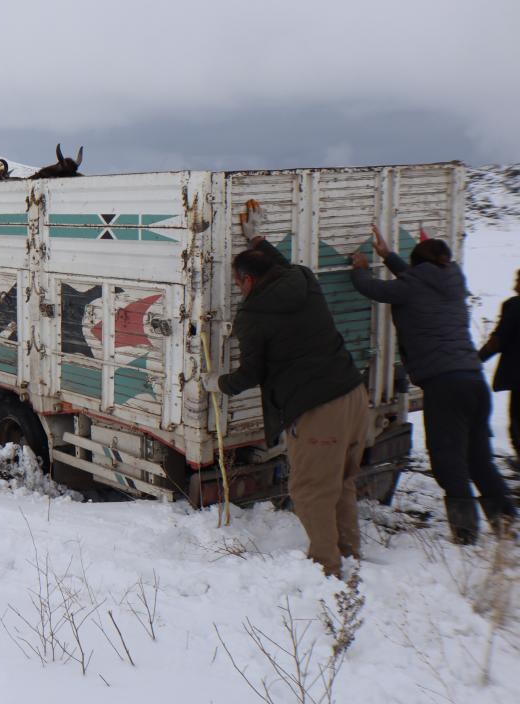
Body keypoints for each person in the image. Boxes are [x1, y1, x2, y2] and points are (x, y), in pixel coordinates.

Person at [204, 199, 368, 578]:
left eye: (237, 283)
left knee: (311, 490)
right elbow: (281, 266)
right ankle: (350, 553)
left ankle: (327, 571)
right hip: (354, 395)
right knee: (341, 481)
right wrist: (257, 239)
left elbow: (250, 375)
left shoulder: (252, 319)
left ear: (246, 281)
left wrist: (216, 382)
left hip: (318, 409)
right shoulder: (304, 280)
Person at [350, 229, 515, 543]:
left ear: (417, 265)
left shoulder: (411, 287)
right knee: (479, 458)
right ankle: (505, 523)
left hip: (445, 385)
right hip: (473, 380)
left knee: (446, 457)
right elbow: (417, 282)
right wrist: (388, 256)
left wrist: (359, 268)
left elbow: (372, 288)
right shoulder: (454, 278)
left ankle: (465, 533)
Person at [479, 269, 520, 472]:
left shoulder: (514, 306)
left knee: (517, 424)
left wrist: (475, 359)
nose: (515, 284)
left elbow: (498, 341)